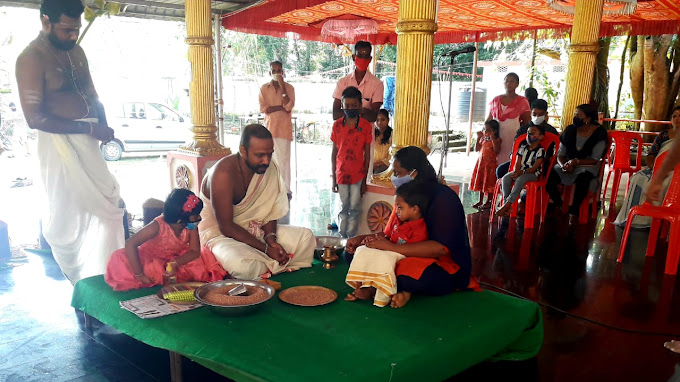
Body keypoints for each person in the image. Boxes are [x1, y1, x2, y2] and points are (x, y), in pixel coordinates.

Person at [15, 0, 123, 283]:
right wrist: (86, 131)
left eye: (75, 29)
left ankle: (110, 278)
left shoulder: (77, 51)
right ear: (45, 21)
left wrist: (102, 124)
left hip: (90, 141)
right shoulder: (31, 58)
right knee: (70, 219)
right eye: (66, 30)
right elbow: (34, 118)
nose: (73, 35)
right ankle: (84, 284)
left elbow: (92, 93)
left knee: (110, 208)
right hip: (59, 146)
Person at [345, 147, 479, 308]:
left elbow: (440, 249)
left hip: (439, 265)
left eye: (397, 173)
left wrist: (392, 248)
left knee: (405, 275)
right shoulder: (405, 196)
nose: (394, 178)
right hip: (400, 252)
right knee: (353, 254)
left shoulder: (443, 198)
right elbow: (390, 234)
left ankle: (396, 288)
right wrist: (362, 239)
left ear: (414, 173)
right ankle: (397, 288)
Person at [197, 124, 315, 279]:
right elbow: (226, 227)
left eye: (269, 154)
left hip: (255, 230)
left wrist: (271, 239)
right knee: (244, 266)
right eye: (260, 155)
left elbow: (269, 211)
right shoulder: (223, 174)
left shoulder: (269, 168)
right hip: (220, 236)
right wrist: (266, 249)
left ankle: (265, 268)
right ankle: (269, 265)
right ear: (243, 150)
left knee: (305, 237)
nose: (266, 161)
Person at [105, 189, 226, 291]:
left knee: (199, 265)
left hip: (177, 257)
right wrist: (140, 275)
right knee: (120, 259)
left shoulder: (191, 225)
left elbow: (194, 251)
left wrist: (175, 263)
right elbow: (130, 244)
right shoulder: (157, 226)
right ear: (180, 221)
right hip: (150, 258)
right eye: (196, 216)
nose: (199, 218)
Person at [345, 181, 429, 307]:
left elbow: (411, 253)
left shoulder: (420, 229)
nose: (397, 211)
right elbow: (386, 235)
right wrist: (368, 240)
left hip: (402, 258)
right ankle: (363, 283)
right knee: (361, 250)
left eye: (400, 207)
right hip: (387, 250)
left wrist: (386, 247)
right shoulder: (398, 219)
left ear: (415, 209)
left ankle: (375, 289)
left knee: (385, 260)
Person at [614, 106, 680, 226]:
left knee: (669, 183)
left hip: (675, 173)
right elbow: (652, 154)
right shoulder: (664, 135)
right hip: (659, 169)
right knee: (638, 178)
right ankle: (634, 217)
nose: (677, 119)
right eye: (674, 116)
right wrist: (653, 166)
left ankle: (661, 219)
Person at [547, 104, 608, 225]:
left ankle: (574, 211)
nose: (576, 117)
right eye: (575, 115)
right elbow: (561, 154)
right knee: (550, 175)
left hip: (587, 165)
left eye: (579, 115)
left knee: (583, 179)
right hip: (567, 163)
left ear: (588, 118)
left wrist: (576, 162)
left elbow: (595, 159)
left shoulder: (599, 133)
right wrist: (563, 165)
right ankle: (558, 204)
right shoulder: (570, 130)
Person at [331, 86, 373, 238]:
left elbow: (367, 154)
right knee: (344, 206)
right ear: (342, 106)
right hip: (341, 173)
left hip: (358, 175)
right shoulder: (337, 126)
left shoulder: (365, 126)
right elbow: (334, 154)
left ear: (360, 106)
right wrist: (334, 178)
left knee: (355, 207)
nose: (350, 109)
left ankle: (351, 238)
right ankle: (342, 238)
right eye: (347, 106)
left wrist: (365, 180)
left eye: (354, 106)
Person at [496, 99, 559, 178]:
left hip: (541, 165)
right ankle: (506, 190)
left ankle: (537, 190)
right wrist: (514, 158)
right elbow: (515, 148)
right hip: (521, 162)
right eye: (534, 114)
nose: (537, 117)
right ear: (530, 113)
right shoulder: (523, 130)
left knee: (552, 176)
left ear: (546, 114)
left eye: (540, 114)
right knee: (501, 170)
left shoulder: (551, 131)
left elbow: (553, 152)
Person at [259, 60, 295, 197]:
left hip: (284, 130)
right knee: (269, 160)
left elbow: (289, 106)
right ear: (269, 73)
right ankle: (270, 189)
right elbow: (265, 109)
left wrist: (283, 89)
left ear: (283, 72)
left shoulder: (290, 88)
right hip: (269, 130)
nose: (276, 73)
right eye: (274, 71)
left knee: (284, 160)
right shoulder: (264, 88)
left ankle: (285, 189)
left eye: (279, 71)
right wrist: (281, 107)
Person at [497, 125, 546, 217]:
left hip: (532, 174)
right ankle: (507, 203)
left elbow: (534, 168)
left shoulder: (540, 151)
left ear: (540, 137)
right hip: (520, 171)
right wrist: (516, 171)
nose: (529, 135)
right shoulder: (523, 148)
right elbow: (517, 162)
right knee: (506, 178)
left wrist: (521, 172)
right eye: (528, 133)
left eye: (533, 132)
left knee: (520, 179)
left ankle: (508, 204)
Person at [332, 41, 384, 123]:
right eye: (360, 56)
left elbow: (373, 117)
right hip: (345, 134)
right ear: (353, 57)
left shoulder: (377, 84)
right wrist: (361, 111)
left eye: (366, 56)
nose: (363, 59)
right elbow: (335, 114)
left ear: (370, 59)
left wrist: (348, 112)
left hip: (366, 134)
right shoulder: (342, 82)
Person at [487, 73, 531, 166]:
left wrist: (520, 138)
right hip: (496, 136)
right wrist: (487, 133)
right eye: (506, 81)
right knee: (495, 160)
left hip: (512, 136)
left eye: (512, 81)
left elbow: (527, 122)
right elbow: (489, 119)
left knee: (509, 160)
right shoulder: (496, 100)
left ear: (517, 84)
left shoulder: (522, 101)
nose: (508, 83)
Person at [470, 119, 501, 210]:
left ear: (494, 131)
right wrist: (478, 138)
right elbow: (477, 149)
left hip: (490, 165)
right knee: (481, 181)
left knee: (489, 183)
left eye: (488, 130)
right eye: (484, 129)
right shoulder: (483, 139)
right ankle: (480, 200)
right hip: (481, 164)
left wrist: (493, 139)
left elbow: (497, 150)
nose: (485, 132)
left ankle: (489, 201)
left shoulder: (497, 140)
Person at [373, 109, 392, 174]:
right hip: (372, 165)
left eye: (383, 120)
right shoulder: (372, 134)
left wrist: (377, 164)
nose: (379, 123)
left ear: (388, 120)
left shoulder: (393, 135)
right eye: (377, 120)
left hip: (386, 165)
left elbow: (391, 157)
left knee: (377, 173)